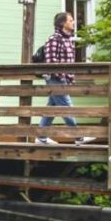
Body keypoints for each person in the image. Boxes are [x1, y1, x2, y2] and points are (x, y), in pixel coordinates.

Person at [38, 12, 81, 143]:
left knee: (51, 108)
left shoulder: (68, 40)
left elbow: (70, 62)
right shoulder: (54, 39)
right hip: (55, 78)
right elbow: (51, 62)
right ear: (63, 23)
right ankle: (79, 136)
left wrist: (70, 78)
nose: (73, 22)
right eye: (71, 20)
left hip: (64, 79)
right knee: (66, 107)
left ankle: (41, 136)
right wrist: (62, 77)